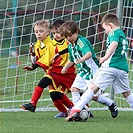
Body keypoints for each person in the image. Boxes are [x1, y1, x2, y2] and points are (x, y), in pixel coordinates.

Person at [65, 13, 133, 122]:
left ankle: (76, 109)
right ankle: (78, 109)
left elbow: (114, 44)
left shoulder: (113, 33)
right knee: (127, 93)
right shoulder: (122, 34)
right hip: (123, 68)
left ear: (110, 25)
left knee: (92, 88)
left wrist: (105, 57)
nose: (105, 31)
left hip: (111, 67)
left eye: (105, 29)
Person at [59, 20, 118, 120]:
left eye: (70, 35)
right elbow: (72, 59)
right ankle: (77, 111)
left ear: (77, 32)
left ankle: (111, 103)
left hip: (92, 71)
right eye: (66, 37)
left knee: (92, 95)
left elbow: (89, 54)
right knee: (74, 89)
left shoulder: (81, 41)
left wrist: (81, 59)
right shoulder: (70, 46)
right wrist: (65, 67)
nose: (69, 38)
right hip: (83, 72)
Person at [20, 19, 75, 118]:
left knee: (76, 90)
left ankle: (32, 104)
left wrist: (34, 66)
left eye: (41, 31)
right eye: (36, 32)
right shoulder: (37, 45)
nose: (38, 34)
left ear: (48, 32)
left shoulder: (51, 43)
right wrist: (32, 55)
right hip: (51, 71)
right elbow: (37, 59)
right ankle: (66, 111)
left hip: (60, 71)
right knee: (54, 94)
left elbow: (47, 58)